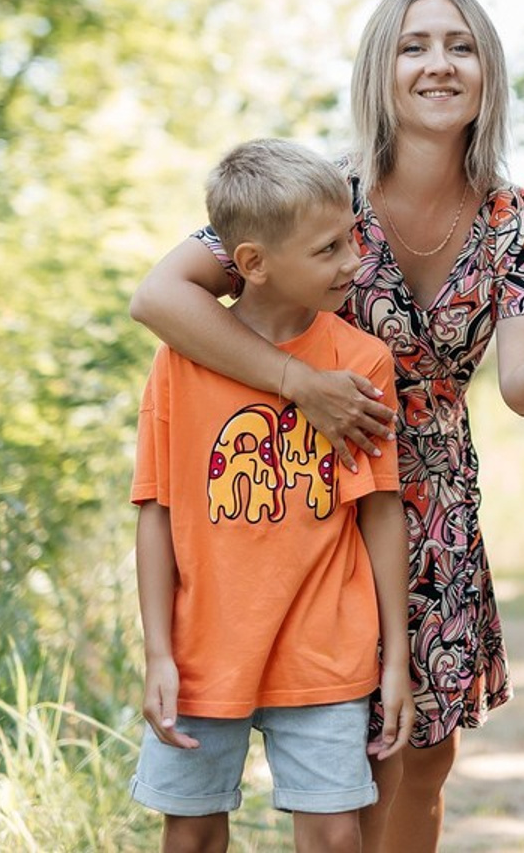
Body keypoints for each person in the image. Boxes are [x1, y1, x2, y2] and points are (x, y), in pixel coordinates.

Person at [130, 0, 524, 853]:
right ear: (381, 70)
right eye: (414, 45)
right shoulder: (316, 201)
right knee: (344, 757)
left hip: (434, 500)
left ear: (488, 71)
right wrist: (298, 385)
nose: (439, 63)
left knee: (420, 751)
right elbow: (160, 295)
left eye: (461, 45)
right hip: (305, 495)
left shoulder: (520, 222)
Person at [129, 138, 412, 852]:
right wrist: (158, 652)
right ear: (252, 263)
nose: (355, 261)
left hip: (325, 647)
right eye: (328, 250)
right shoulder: (180, 361)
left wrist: (397, 657)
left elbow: (379, 510)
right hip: (202, 649)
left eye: (352, 236)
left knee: (334, 837)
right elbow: (156, 512)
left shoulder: (361, 361)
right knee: (190, 834)